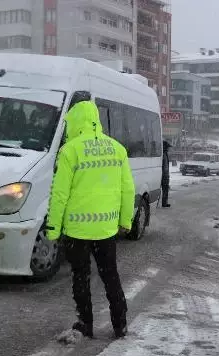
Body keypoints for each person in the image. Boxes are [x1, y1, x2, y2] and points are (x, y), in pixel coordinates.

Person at [47, 97, 135, 339]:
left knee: (80, 277)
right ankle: (120, 323)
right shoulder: (117, 149)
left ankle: (86, 324)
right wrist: (125, 222)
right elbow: (127, 189)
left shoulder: (70, 151)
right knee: (111, 276)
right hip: (106, 229)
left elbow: (60, 194)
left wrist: (53, 229)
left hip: (77, 230)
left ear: (74, 122)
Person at [161, 140, 171, 208]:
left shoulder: (165, 154)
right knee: (165, 189)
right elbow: (164, 166)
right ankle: (164, 203)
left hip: (165, 174)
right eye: (167, 147)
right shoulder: (163, 154)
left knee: (166, 189)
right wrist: (165, 174)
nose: (168, 149)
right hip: (164, 175)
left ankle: (165, 202)